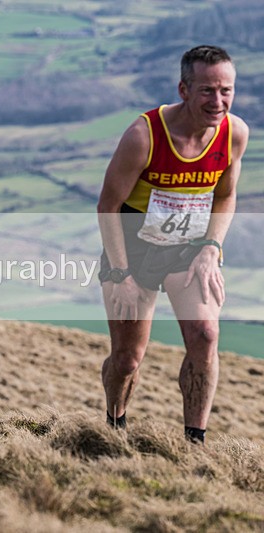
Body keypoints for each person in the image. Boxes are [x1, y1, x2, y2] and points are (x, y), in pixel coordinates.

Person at [97, 45, 249, 443]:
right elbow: (108, 205)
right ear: (184, 89)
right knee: (128, 359)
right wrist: (120, 273)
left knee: (205, 335)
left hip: (189, 247)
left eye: (226, 90)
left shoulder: (235, 133)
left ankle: (193, 442)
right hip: (133, 246)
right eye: (207, 90)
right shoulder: (144, 136)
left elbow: (225, 196)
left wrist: (210, 248)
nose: (218, 101)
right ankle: (115, 424)